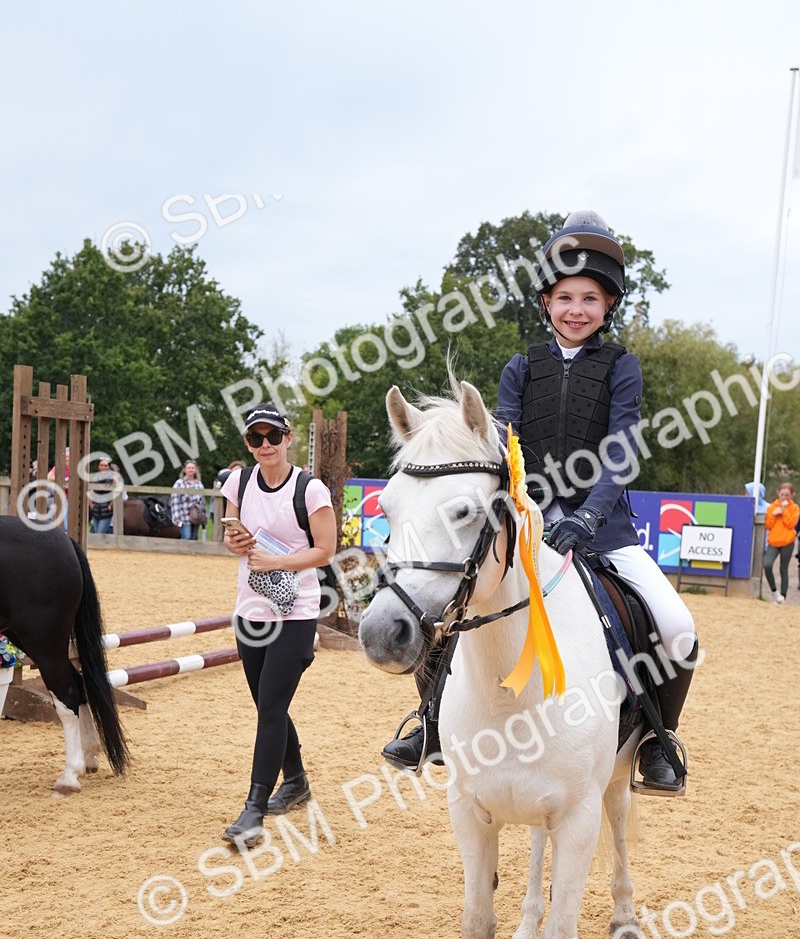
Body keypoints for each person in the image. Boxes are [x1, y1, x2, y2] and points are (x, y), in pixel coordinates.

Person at [382, 211, 698, 795]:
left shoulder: (621, 367)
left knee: (678, 628)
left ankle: (658, 738)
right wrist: (536, 513)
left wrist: (588, 517)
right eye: (565, 297)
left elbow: (621, 452)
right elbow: (507, 449)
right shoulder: (521, 367)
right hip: (529, 525)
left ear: (608, 306)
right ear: (547, 302)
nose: (576, 309)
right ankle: (430, 719)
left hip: (606, 532)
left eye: (590, 298)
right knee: (452, 599)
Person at [220, 403, 337, 844]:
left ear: (289, 438)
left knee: (270, 707)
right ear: (248, 444)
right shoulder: (238, 481)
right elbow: (230, 539)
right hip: (250, 607)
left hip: (297, 610)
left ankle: (253, 810)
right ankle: (297, 780)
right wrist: (235, 542)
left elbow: (325, 550)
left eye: (273, 436)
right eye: (256, 438)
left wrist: (278, 560)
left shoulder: (310, 490)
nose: (265, 444)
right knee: (268, 703)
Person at [763, 482, 799, 603]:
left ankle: (783, 596)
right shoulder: (771, 507)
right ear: (778, 493)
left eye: (787, 495)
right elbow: (768, 525)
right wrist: (774, 514)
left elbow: (791, 524)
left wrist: (784, 511)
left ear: (791, 495)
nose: (784, 497)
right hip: (774, 541)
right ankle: (774, 592)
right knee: (767, 565)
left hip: (787, 542)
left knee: (783, 568)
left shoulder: (795, 508)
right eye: (782, 494)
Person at [170, 460, 206, 540]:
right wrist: (176, 518)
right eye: (189, 468)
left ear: (196, 470)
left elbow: (202, 501)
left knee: (193, 538)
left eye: (193, 468)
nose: (191, 470)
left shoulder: (199, 484)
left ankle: (192, 553)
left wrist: (203, 516)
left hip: (196, 517)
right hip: (184, 517)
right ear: (185, 470)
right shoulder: (179, 483)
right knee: (186, 537)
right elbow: (175, 501)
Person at [88, 457, 116, 534]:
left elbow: (116, 492)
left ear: (109, 466)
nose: (103, 467)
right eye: (101, 465)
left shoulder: (113, 477)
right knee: (96, 532)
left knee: (100, 533)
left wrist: (110, 505)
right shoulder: (95, 477)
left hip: (106, 511)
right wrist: (90, 504)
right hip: (95, 510)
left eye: (105, 465)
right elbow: (91, 491)